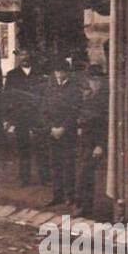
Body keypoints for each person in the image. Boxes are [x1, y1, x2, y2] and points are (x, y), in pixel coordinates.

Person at [40, 58, 79, 206]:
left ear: (67, 72)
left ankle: (70, 195)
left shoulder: (74, 89)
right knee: (55, 163)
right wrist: (51, 128)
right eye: (56, 71)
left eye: (61, 71)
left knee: (69, 163)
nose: (58, 74)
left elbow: (75, 111)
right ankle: (57, 195)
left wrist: (63, 128)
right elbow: (44, 110)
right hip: (52, 131)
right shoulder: (50, 88)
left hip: (68, 132)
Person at [2, 50, 40, 187]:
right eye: (22, 55)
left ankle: (44, 176)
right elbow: (7, 97)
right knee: (23, 148)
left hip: (37, 116)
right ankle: (25, 178)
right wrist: (8, 118)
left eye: (27, 54)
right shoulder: (12, 75)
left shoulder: (39, 73)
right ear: (18, 57)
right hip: (21, 116)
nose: (25, 57)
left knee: (41, 146)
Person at [75, 65, 107, 214]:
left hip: (96, 142)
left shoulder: (105, 98)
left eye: (96, 79)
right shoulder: (89, 96)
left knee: (86, 173)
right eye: (91, 79)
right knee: (83, 173)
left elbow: (106, 123)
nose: (94, 82)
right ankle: (83, 205)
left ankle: (85, 206)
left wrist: (100, 145)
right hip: (85, 140)